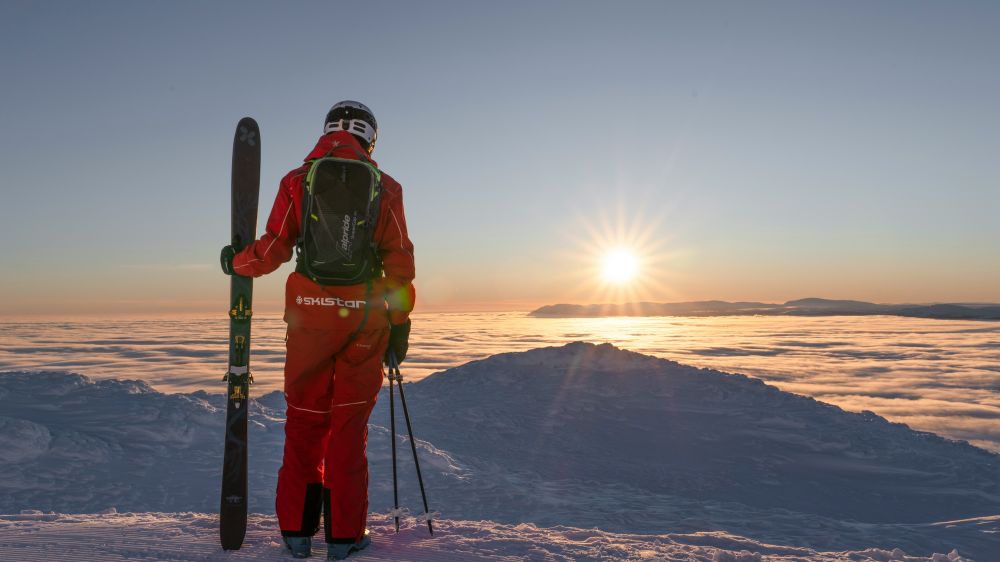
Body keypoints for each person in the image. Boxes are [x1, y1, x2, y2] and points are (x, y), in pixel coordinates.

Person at [220, 100, 415, 560]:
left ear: (327, 131)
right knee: (348, 432)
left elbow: (273, 249)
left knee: (304, 428)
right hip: (365, 326)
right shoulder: (385, 187)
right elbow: (399, 265)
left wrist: (236, 261)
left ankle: (296, 534)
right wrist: (400, 327)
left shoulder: (297, 181)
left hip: (308, 321)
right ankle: (344, 538)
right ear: (370, 138)